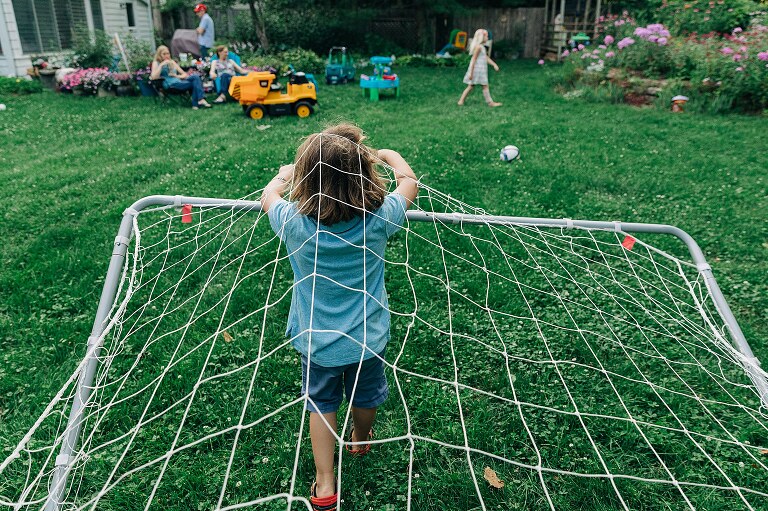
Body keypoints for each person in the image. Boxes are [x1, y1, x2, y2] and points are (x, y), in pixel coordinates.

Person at [261, 123, 418, 511]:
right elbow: (408, 182)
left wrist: (282, 177)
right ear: (364, 176)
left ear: (306, 179)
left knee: (321, 403)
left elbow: (269, 196)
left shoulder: (294, 223)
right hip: (368, 337)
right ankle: (362, 438)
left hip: (316, 341)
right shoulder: (381, 217)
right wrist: (388, 156)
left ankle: (325, 481)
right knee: (366, 395)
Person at [457, 29, 502, 107]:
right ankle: (490, 103)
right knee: (474, 86)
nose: (487, 38)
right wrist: (471, 73)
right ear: (481, 37)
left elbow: (486, 58)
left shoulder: (482, 47)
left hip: (481, 70)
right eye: (486, 36)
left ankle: (461, 101)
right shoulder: (478, 47)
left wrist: (494, 64)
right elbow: (473, 60)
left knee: (477, 86)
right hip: (477, 70)